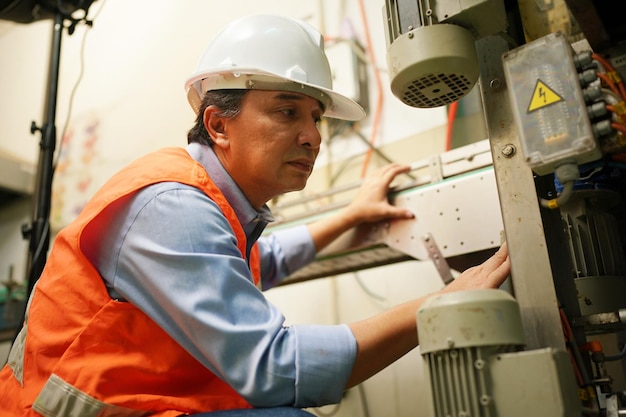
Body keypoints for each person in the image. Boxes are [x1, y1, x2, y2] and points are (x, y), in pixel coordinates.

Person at [0, 13, 510, 417]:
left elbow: (264, 259)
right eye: (288, 112)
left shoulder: (214, 205)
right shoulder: (171, 206)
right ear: (219, 125)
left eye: (315, 116)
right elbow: (275, 369)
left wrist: (349, 215)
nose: (312, 135)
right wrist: (439, 306)